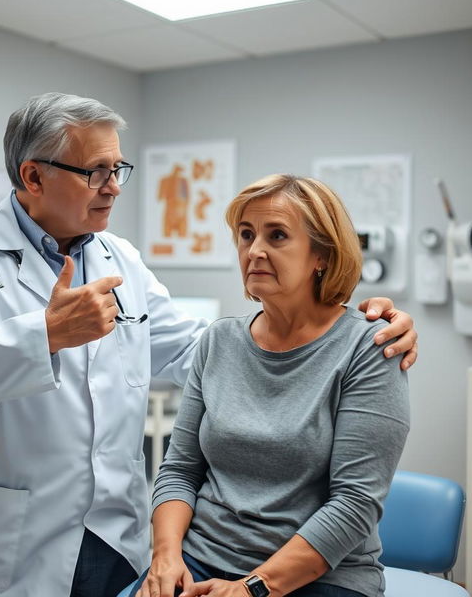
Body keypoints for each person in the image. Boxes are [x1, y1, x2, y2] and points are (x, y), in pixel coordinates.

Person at [0, 93, 416, 597]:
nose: (114, 187)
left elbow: (206, 354)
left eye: (118, 170)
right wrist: (46, 335)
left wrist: (347, 336)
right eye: (95, 172)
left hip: (113, 532)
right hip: (11, 535)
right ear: (34, 176)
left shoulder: (119, 258)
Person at [131, 175, 410, 597]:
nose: (254, 250)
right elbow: (179, 471)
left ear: (321, 254)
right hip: (201, 559)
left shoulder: (368, 348)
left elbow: (354, 506)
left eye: (276, 235)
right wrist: (166, 557)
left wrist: (251, 588)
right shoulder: (218, 341)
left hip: (320, 575)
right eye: (246, 235)